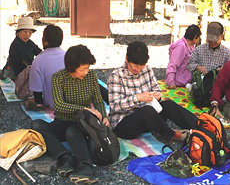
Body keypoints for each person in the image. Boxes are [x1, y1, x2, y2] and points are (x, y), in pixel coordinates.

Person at [31, 45, 108, 184]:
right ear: (71, 67)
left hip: (82, 124)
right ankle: (65, 157)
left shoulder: (91, 77)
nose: (86, 72)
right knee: (37, 125)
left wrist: (104, 117)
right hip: (63, 121)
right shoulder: (58, 78)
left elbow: (98, 100)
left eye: (87, 68)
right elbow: (59, 105)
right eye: (82, 69)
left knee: (72, 131)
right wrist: (85, 108)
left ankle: (86, 166)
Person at [107, 41, 198, 142]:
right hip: (124, 124)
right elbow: (114, 106)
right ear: (126, 59)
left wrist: (157, 95)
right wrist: (138, 98)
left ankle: (201, 126)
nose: (138, 70)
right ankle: (170, 134)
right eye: (134, 67)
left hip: (149, 120)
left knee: (168, 104)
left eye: (140, 67)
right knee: (147, 111)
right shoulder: (116, 76)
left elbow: (156, 90)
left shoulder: (147, 70)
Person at [29, 25, 65, 110]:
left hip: (53, 105)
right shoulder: (67, 56)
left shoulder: (38, 60)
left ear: (44, 41)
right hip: (74, 104)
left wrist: (39, 103)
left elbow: (37, 90)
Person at [165, 24, 201, 89]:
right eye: (198, 37)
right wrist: (171, 82)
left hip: (184, 83)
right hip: (177, 84)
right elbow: (173, 64)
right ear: (195, 37)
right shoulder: (181, 47)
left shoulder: (191, 46)